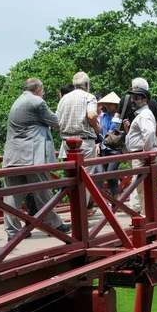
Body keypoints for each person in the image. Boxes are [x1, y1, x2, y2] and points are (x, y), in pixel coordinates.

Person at [3, 78, 71, 240]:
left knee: (12, 194)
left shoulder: (18, 101)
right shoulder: (37, 102)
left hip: (13, 157)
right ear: (39, 90)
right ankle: (53, 226)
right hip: (32, 157)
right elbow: (57, 122)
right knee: (44, 190)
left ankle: (12, 232)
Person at [56, 71, 102, 216]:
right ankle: (80, 215)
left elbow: (56, 121)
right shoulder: (89, 97)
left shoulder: (64, 99)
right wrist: (97, 128)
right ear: (87, 84)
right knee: (84, 179)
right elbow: (91, 115)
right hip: (84, 142)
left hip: (66, 142)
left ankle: (76, 212)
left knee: (72, 179)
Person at [123, 88, 157, 213]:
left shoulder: (144, 114)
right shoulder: (142, 114)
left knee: (142, 186)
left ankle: (146, 214)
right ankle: (143, 212)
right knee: (141, 186)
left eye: (137, 98)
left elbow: (148, 133)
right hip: (140, 153)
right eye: (133, 98)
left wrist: (145, 153)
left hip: (142, 154)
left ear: (145, 100)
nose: (133, 101)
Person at [115, 77, 157, 142]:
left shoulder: (125, 99)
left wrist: (118, 126)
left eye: (133, 88)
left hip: (126, 141)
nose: (132, 100)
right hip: (146, 142)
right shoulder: (154, 104)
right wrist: (156, 143)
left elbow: (116, 118)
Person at [97, 92, 123, 198]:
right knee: (108, 175)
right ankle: (115, 198)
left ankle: (116, 198)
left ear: (116, 105)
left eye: (110, 104)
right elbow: (100, 132)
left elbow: (113, 127)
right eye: (106, 104)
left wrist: (116, 115)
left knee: (110, 172)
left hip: (115, 148)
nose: (108, 106)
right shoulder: (103, 117)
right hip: (104, 148)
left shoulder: (120, 116)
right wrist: (98, 144)